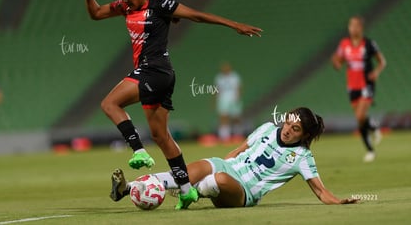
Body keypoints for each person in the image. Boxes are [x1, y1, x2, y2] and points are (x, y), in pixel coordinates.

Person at [77, 0, 262, 209]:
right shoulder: (126, 6)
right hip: (161, 75)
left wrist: (233, 24)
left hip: (154, 71)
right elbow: (96, 13)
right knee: (161, 137)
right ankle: (186, 192)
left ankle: (138, 151)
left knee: (109, 104)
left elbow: (196, 15)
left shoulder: (160, 4)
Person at [109, 107, 359, 208]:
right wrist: (223, 163)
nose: (287, 129)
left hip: (243, 192)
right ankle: (127, 188)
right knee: (187, 171)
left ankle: (190, 192)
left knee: (217, 179)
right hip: (227, 167)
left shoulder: (302, 156)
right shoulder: (266, 129)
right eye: (289, 122)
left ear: (303, 136)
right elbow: (239, 150)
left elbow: (320, 191)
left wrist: (338, 202)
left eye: (295, 129)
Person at [331, 16, 386, 163]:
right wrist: (336, 63)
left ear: (361, 28)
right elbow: (339, 61)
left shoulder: (368, 44)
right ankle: (370, 148)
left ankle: (373, 130)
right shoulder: (344, 44)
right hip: (352, 85)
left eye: (356, 26)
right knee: (359, 120)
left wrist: (376, 72)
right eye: (351, 26)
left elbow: (382, 61)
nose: (353, 28)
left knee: (360, 116)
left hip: (366, 84)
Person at [215, 62, 243, 143]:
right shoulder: (219, 77)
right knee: (224, 117)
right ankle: (224, 137)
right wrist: (216, 99)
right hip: (223, 99)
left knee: (236, 117)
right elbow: (217, 89)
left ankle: (238, 135)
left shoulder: (234, 77)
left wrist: (238, 97)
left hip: (234, 98)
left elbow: (238, 87)